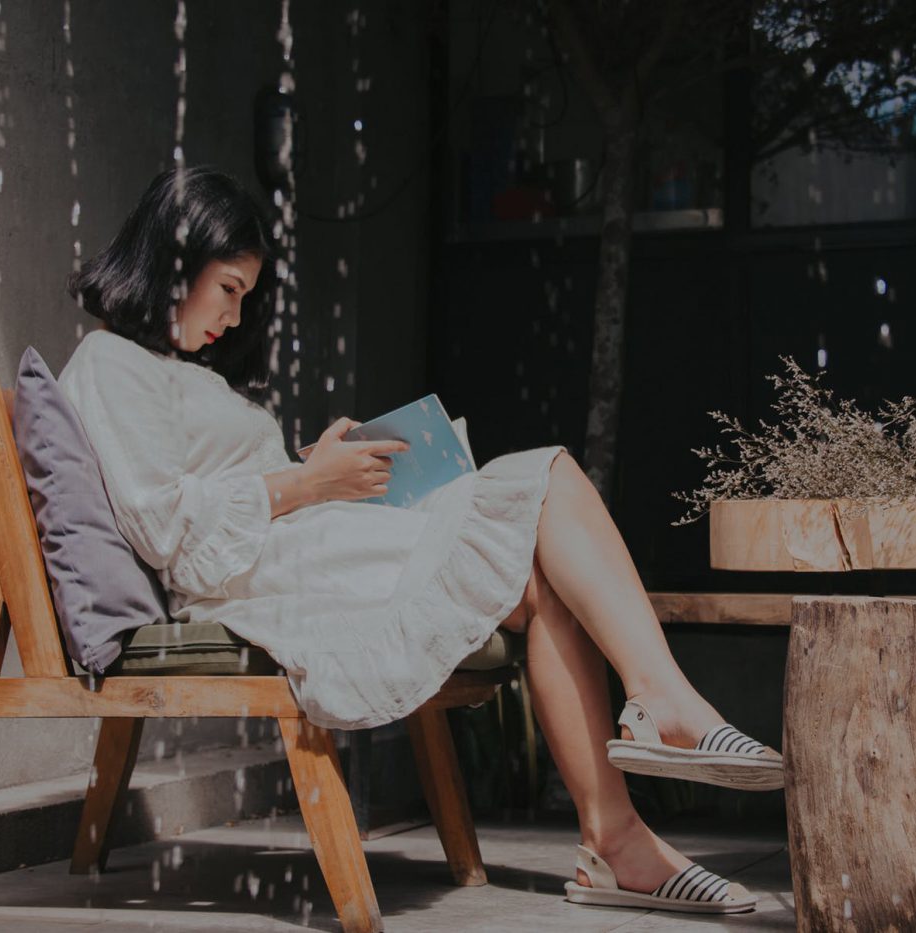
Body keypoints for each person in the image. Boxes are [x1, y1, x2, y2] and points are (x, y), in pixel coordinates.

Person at [59, 166, 782, 915]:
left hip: (299, 545)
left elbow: (217, 487)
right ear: (179, 257)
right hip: (263, 581)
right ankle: (657, 724)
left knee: (543, 575)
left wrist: (313, 463)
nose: (235, 319)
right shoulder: (110, 364)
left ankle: (619, 833)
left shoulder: (176, 371)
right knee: (551, 477)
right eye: (231, 290)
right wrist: (311, 485)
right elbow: (164, 527)